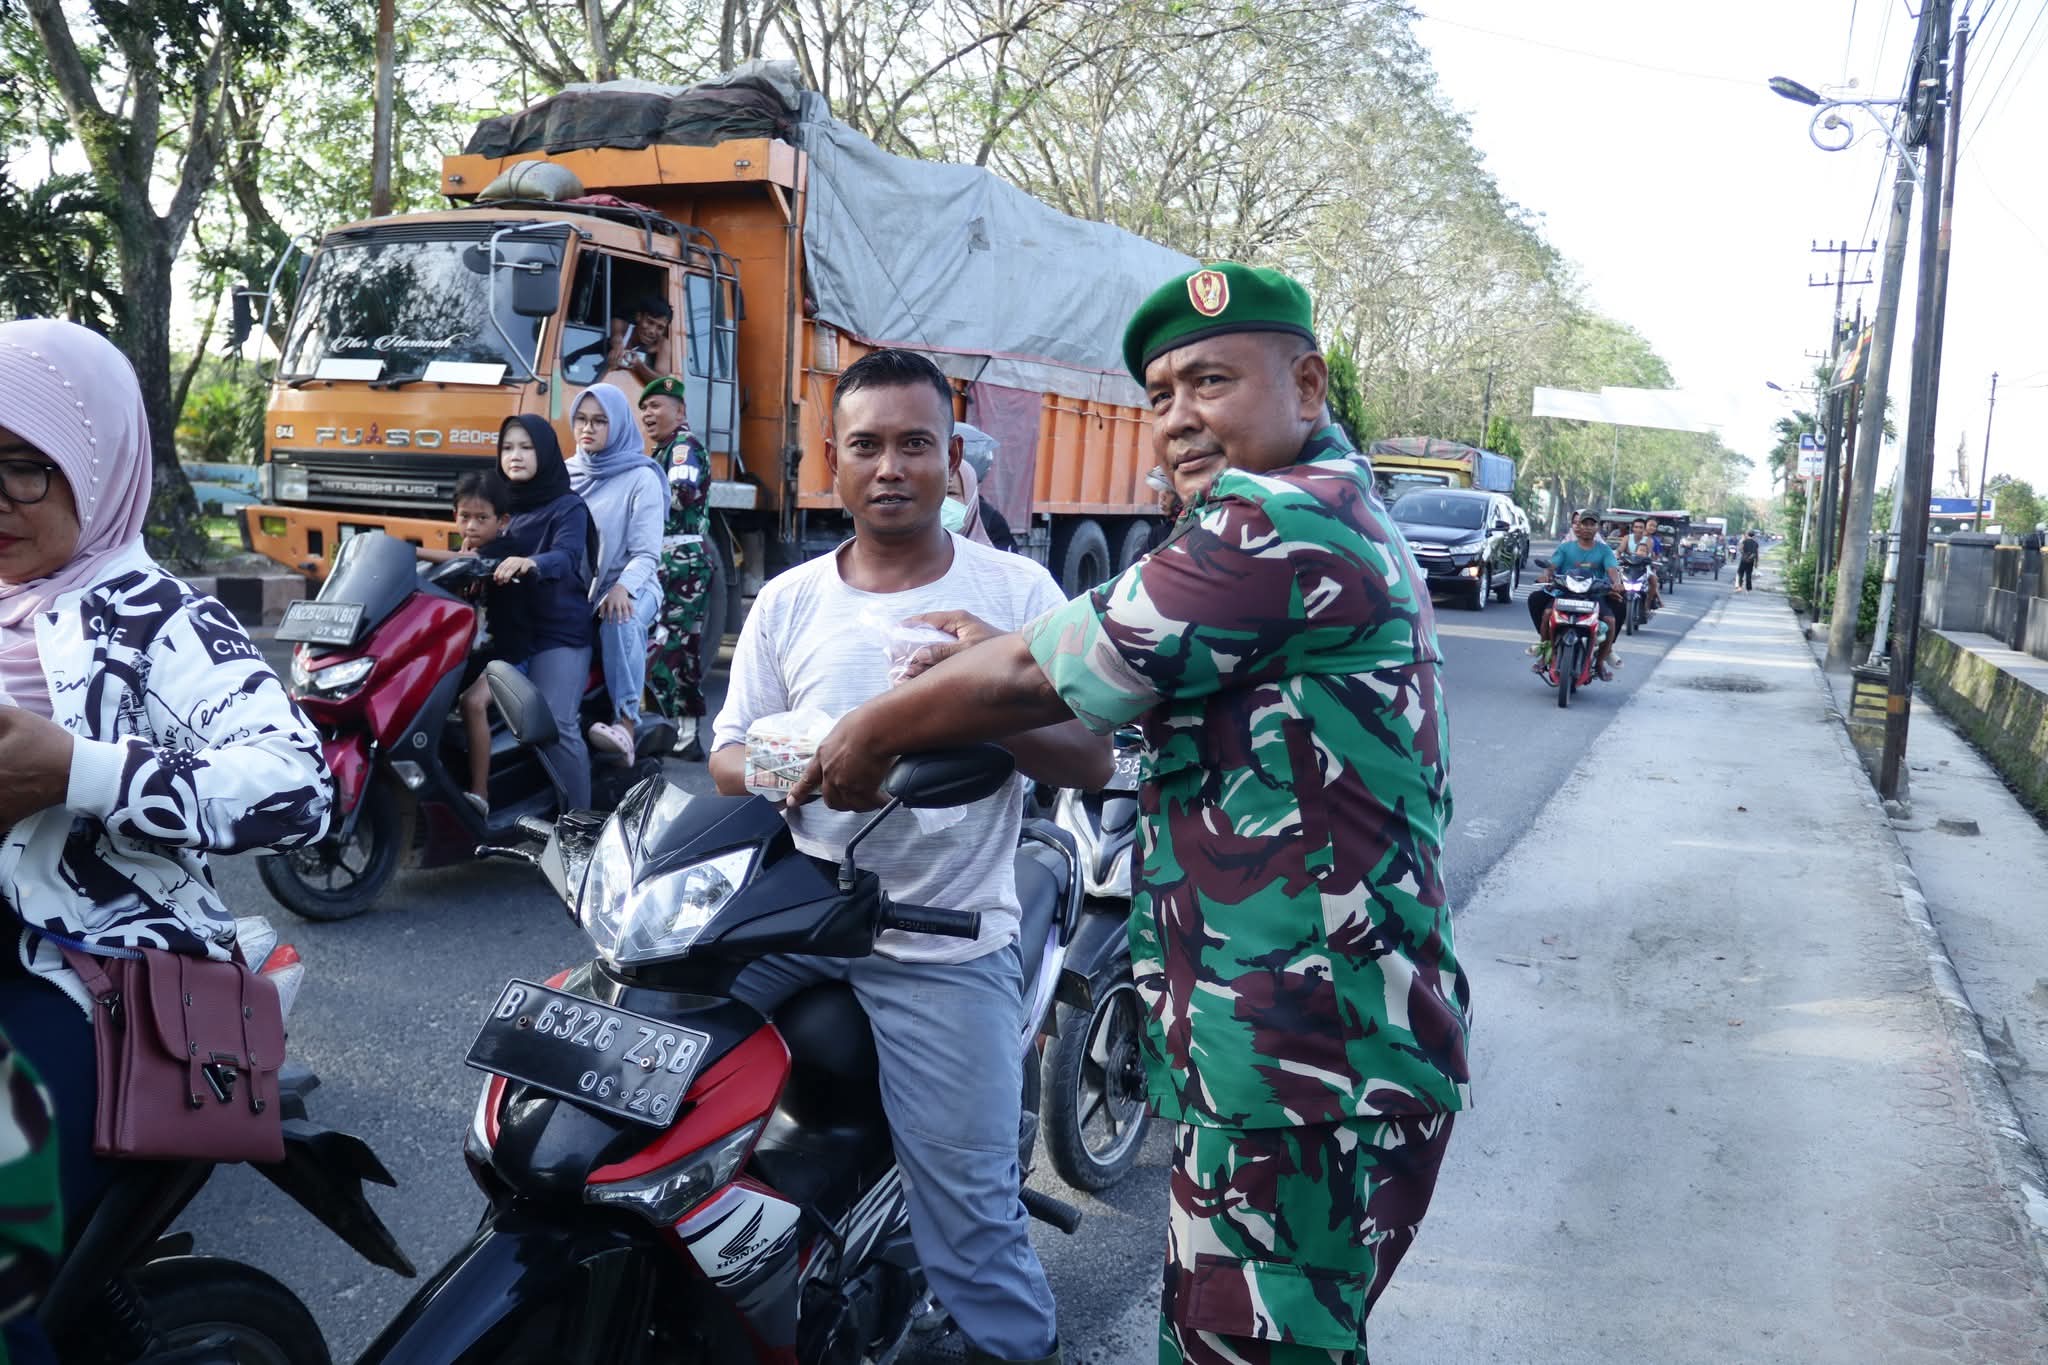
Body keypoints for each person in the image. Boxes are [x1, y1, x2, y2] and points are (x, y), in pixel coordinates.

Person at [785, 266, 1471, 1365]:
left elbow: (1040, 677)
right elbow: (1132, 695)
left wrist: (873, 732)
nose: (1179, 418)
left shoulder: (1281, 519)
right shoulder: (1325, 509)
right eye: (1160, 395)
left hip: (1301, 1060)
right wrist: (995, 666)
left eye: (1211, 381)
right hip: (1310, 1048)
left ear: (1306, 385)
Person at [710, 347, 1110, 1365]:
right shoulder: (789, 600)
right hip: (792, 922)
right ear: (832, 461)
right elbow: (725, 755)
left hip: (941, 945)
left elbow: (1089, 758)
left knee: (973, 1222)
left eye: (914, 444)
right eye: (866, 445)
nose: (889, 466)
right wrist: (801, 764)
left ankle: (1014, 1347)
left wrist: (985, 681)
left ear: (951, 461)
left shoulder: (1014, 590)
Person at [0, 320, 332, 1302]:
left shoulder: (159, 619)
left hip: (90, 977)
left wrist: (81, 772)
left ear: (96, 463)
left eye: (25, 466)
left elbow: (298, 786)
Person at [427, 422, 597, 814]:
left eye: (526, 447)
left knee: (556, 722)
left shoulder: (567, 507)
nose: (515, 456)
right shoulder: (494, 504)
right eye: (507, 448)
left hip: (556, 633)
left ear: (546, 452)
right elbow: (470, 560)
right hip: (506, 632)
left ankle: (582, 825)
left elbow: (568, 556)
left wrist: (532, 562)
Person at [567, 384, 667, 766]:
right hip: (581, 588)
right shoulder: (566, 473)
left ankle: (625, 724)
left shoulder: (640, 477)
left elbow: (646, 553)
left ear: (618, 425)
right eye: (581, 419)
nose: (587, 428)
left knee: (619, 618)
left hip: (635, 584)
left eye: (599, 421)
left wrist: (623, 587)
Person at [640, 376, 714, 759]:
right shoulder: (663, 451)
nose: (647, 414)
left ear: (680, 410)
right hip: (669, 558)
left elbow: (680, 496)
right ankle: (682, 735)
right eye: (644, 408)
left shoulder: (683, 448)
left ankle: (669, 731)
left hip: (679, 559)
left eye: (656, 406)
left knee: (668, 644)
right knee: (678, 647)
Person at [1529, 511, 1625, 679]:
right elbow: (1552, 566)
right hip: (1565, 592)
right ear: (1578, 526)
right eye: (1584, 524)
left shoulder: (1604, 550)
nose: (1587, 528)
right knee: (1547, 613)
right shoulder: (1565, 548)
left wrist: (1616, 583)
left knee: (1610, 620)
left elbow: (1611, 569)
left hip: (1594, 595)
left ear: (1597, 528)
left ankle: (1600, 662)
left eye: (1592, 524)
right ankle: (1545, 653)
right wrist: (1546, 575)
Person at [607, 295, 674, 389]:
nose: (652, 331)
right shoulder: (621, 326)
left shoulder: (662, 344)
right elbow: (616, 335)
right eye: (650, 322)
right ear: (638, 317)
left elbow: (662, 383)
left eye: (660, 328)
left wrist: (639, 366)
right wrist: (617, 345)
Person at [1619, 517, 1661, 609]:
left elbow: (1648, 554)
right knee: (1614, 581)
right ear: (1632, 528)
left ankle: (1647, 604)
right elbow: (1620, 550)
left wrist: (1651, 561)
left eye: (1641, 527)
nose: (1638, 529)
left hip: (1643, 567)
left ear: (1644, 528)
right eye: (1636, 527)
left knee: (1653, 581)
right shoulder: (1627, 538)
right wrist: (1617, 557)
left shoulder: (1649, 540)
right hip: (1627, 567)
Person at [1738, 527, 1761, 592]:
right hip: (1751, 560)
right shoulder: (1755, 543)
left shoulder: (1744, 541)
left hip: (1743, 559)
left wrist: (1744, 555)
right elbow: (1756, 553)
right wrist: (1756, 562)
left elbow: (1740, 549)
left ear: (1748, 534)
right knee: (1748, 574)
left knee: (1741, 573)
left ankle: (1740, 586)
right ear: (1753, 535)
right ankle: (1748, 588)